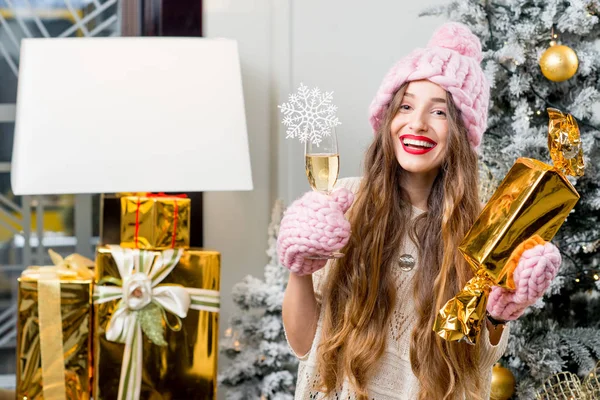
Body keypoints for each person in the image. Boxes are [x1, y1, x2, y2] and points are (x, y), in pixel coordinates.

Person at [277, 22, 562, 400]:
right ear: (388, 118)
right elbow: (303, 344)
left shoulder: (486, 228)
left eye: (440, 112)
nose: (417, 123)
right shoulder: (344, 201)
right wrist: (299, 269)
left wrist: (498, 312)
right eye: (406, 106)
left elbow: (477, 362)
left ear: (461, 132)